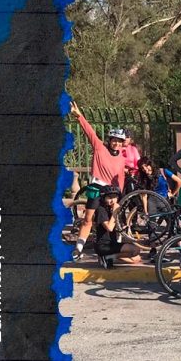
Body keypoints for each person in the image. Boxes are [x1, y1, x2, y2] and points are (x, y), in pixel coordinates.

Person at [70, 101, 127, 261]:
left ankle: (108, 250)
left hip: (112, 193)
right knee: (88, 219)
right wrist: (79, 116)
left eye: (119, 141)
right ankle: (79, 249)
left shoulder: (122, 159)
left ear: (122, 143)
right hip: (97, 188)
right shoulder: (100, 148)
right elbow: (90, 132)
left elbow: (120, 178)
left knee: (112, 221)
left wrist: (120, 197)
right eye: (113, 140)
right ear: (109, 140)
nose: (116, 143)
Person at [93, 185, 144, 269]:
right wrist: (115, 212)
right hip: (104, 245)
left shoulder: (111, 209)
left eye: (115, 197)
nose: (112, 200)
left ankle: (109, 258)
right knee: (135, 250)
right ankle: (106, 257)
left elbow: (117, 227)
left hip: (112, 243)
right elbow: (109, 228)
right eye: (109, 197)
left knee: (137, 258)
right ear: (103, 197)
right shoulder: (101, 210)